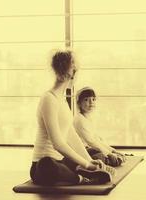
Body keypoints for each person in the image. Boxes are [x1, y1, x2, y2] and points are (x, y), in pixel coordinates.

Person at [30, 50, 113, 186]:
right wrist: (86, 164)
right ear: (73, 73)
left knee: (89, 153)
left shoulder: (62, 101)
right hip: (42, 166)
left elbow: (71, 135)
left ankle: (80, 172)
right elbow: (58, 144)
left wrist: (88, 160)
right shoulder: (48, 99)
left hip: (61, 161)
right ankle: (82, 178)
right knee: (47, 164)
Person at [73, 87, 127, 167]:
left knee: (105, 154)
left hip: (90, 148)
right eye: (86, 100)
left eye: (93, 99)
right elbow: (91, 142)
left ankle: (107, 160)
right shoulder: (79, 120)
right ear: (79, 103)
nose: (91, 103)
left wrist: (113, 150)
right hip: (82, 150)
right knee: (100, 156)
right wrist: (109, 154)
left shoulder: (88, 118)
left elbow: (96, 139)